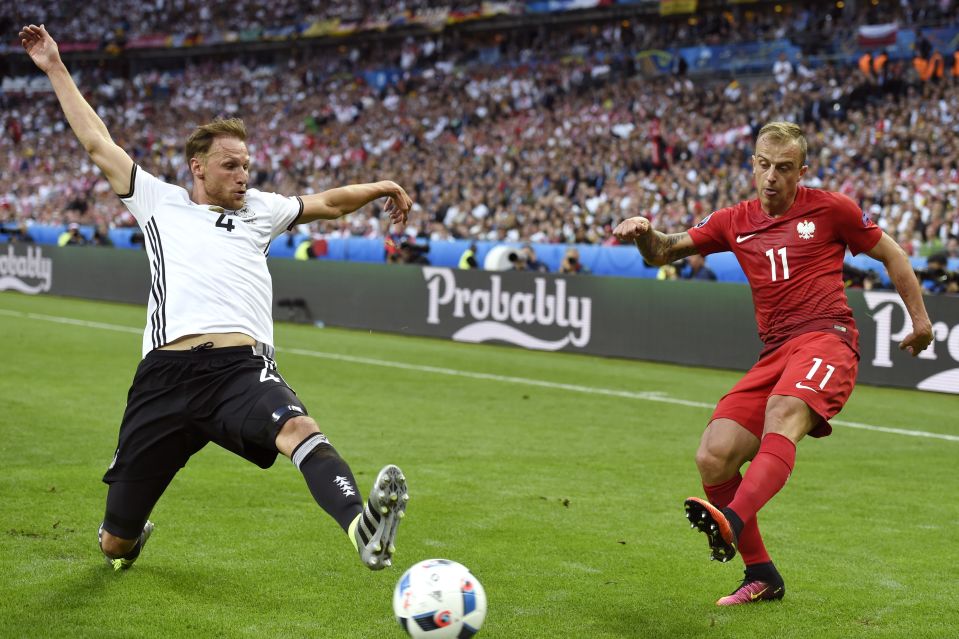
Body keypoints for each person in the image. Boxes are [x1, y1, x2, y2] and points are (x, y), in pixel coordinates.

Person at [21, 24, 412, 572]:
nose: (244, 176)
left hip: (239, 370)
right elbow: (96, 141)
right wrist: (55, 66)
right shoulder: (158, 201)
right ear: (197, 167)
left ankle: (360, 526)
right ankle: (129, 540)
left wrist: (382, 187)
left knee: (299, 429)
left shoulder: (261, 211)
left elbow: (326, 202)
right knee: (114, 541)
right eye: (232, 165)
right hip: (164, 378)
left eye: (248, 165)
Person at [613, 121, 933, 606]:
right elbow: (662, 250)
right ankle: (761, 574)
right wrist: (642, 232)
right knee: (713, 455)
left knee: (784, 410)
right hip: (775, 352)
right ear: (753, 164)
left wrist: (921, 320)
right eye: (764, 165)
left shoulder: (832, 209)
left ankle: (732, 521)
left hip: (828, 338)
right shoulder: (732, 220)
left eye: (784, 168)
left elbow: (893, 255)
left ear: (801, 172)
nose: (771, 177)